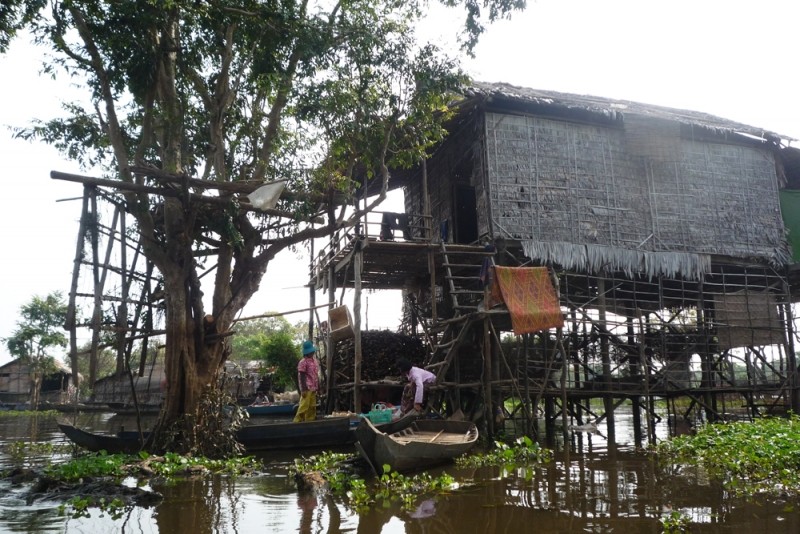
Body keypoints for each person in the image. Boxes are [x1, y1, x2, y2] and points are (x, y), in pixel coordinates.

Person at [293, 340, 319, 422]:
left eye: (312, 351)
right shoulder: (303, 362)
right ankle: (297, 421)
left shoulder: (314, 361)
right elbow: (302, 376)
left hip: (313, 387)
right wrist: (303, 389)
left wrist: (318, 386)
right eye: (310, 352)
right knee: (304, 406)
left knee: (312, 406)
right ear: (306, 353)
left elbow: (315, 375)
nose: (312, 353)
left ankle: (309, 421)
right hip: (307, 387)